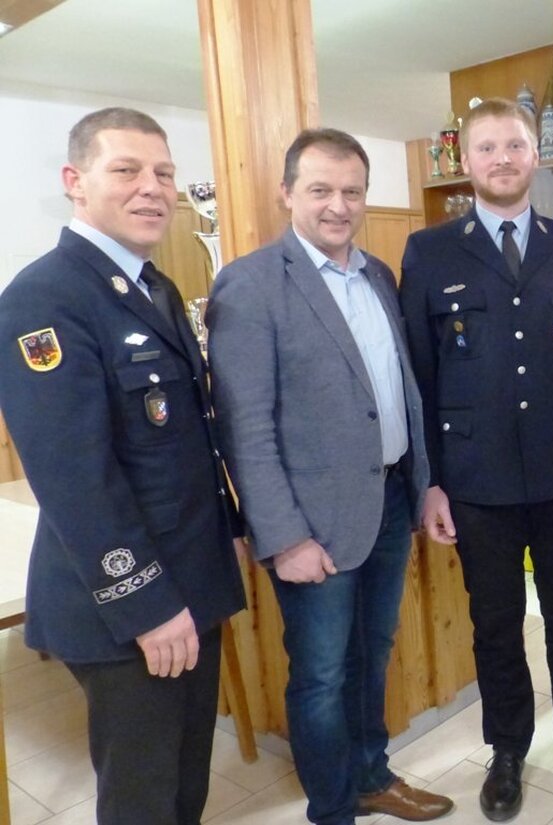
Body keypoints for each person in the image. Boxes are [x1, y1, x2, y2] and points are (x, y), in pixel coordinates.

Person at [0, 107, 246, 825]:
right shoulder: (44, 298)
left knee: (185, 782)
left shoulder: (153, 287)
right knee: (143, 797)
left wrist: (227, 529)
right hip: (130, 604)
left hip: (190, 577)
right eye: (127, 170)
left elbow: (189, 437)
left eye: (164, 173)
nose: (153, 188)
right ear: (75, 181)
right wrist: (146, 604)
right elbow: (75, 479)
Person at [206, 128, 453, 825]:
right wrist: (283, 537)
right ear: (287, 193)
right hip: (311, 523)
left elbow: (398, 392)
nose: (337, 205)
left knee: (372, 656)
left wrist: (423, 483)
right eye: (320, 189)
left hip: (389, 500)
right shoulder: (250, 285)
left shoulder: (378, 276)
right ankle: (333, 808)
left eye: (351, 191)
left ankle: (371, 776)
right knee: (320, 676)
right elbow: (245, 428)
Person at [400, 98, 553, 820]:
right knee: (495, 625)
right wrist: (430, 484)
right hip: (476, 480)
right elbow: (418, 377)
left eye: (515, 145)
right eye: (487, 147)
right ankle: (507, 750)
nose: (502, 158)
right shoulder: (430, 251)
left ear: (536, 155)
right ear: (465, 160)